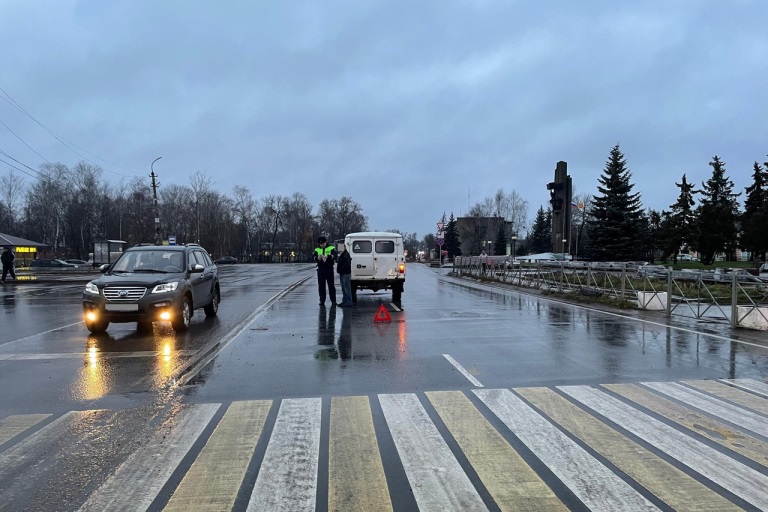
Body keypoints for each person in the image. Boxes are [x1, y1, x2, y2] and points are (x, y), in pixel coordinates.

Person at [313, 236, 337, 306]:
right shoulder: (317, 249)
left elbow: (335, 256)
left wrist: (329, 256)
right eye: (320, 244)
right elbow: (314, 257)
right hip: (321, 269)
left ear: (325, 242)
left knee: (331, 285)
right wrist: (317, 258)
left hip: (329, 268)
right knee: (321, 286)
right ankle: (322, 300)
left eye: (322, 243)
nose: (321, 245)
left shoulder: (331, 248)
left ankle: (333, 300)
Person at [336, 242, 353, 307]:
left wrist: (341, 270)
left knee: (346, 288)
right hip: (344, 273)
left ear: (344, 247)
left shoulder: (345, 255)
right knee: (344, 288)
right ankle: (345, 301)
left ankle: (348, 301)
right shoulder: (343, 254)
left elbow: (346, 264)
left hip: (345, 273)